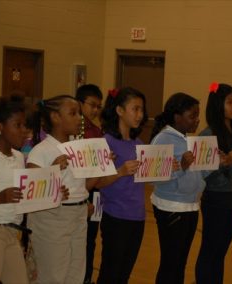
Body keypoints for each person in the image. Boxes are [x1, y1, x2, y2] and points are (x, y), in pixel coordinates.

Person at [27, 95, 99, 284]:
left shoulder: (77, 148)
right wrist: (52, 171)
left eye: (80, 114)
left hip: (78, 215)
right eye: (73, 114)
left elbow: (82, 186)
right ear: (55, 117)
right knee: (52, 275)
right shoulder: (41, 151)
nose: (80, 119)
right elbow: (31, 192)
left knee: (75, 274)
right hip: (52, 217)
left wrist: (101, 166)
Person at [150, 93, 205, 284]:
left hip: (189, 207)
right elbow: (154, 177)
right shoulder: (163, 139)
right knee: (171, 263)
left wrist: (218, 162)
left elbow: (197, 175)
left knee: (180, 263)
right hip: (171, 208)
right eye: (192, 115)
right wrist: (181, 167)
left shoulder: (186, 139)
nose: (197, 120)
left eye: (198, 115)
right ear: (177, 117)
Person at [96, 87, 148, 284]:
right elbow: (97, 183)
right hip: (116, 217)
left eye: (142, 110)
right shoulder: (106, 143)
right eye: (135, 109)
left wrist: (168, 166)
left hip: (138, 217)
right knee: (111, 273)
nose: (140, 114)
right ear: (119, 111)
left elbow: (148, 178)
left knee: (124, 274)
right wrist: (120, 172)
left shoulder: (139, 143)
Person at [195, 83, 232, 284]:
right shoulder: (208, 135)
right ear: (218, 104)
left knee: (219, 253)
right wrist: (224, 163)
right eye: (230, 102)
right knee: (210, 250)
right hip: (216, 200)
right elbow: (200, 174)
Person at [0, 96, 29, 284]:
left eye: (24, 125)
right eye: (17, 125)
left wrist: (51, 192)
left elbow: (27, 194)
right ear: (0, 127)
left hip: (13, 233)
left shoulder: (19, 157)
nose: (24, 131)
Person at [75, 84, 104, 284]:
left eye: (98, 106)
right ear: (80, 103)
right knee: (77, 238)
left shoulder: (97, 131)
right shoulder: (74, 131)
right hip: (78, 192)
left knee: (91, 237)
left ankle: (87, 278)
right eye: (92, 105)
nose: (95, 110)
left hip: (96, 192)